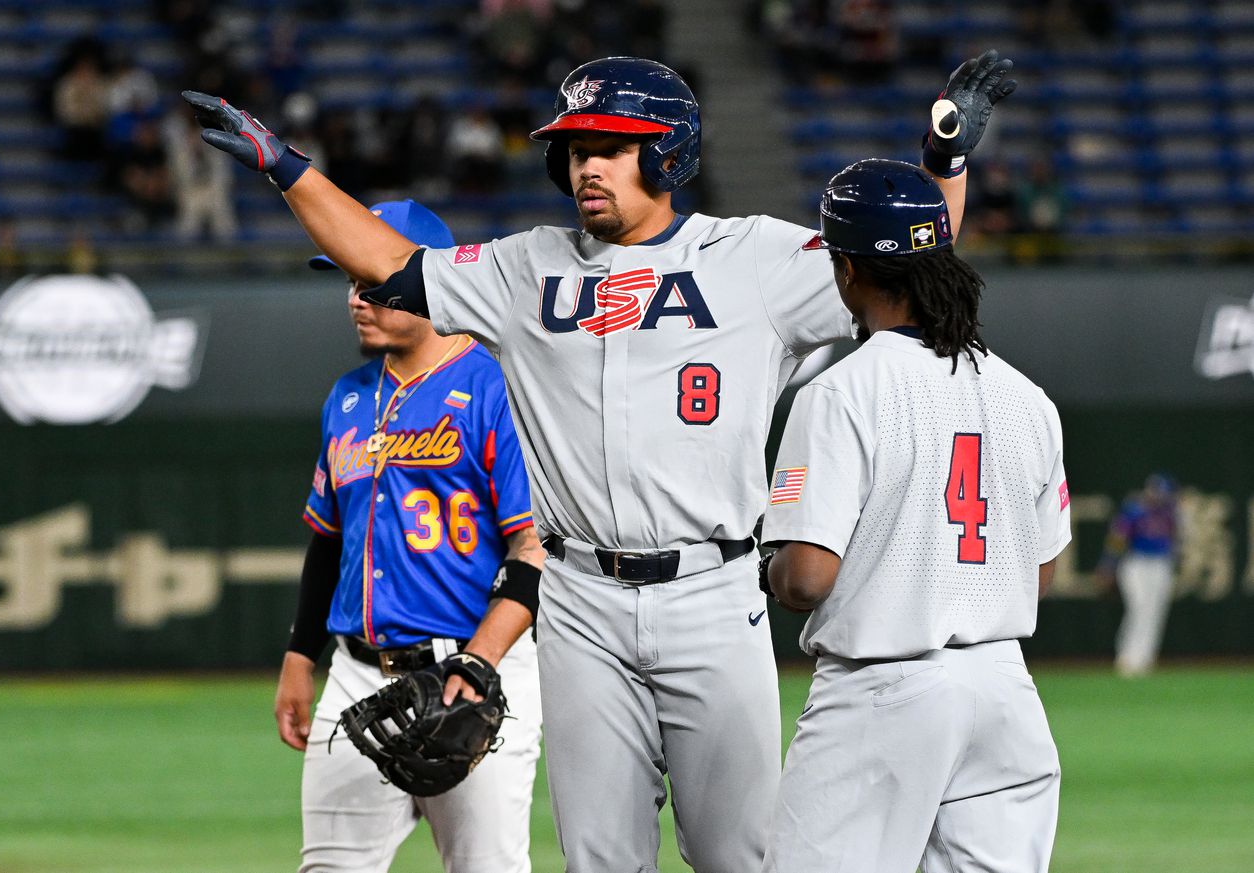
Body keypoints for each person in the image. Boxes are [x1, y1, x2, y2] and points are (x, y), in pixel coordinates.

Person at [186, 50, 1014, 872]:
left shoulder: (754, 257)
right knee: (600, 859)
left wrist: (942, 160)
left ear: (668, 154)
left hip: (714, 591)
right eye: (577, 149)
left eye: (613, 146)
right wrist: (285, 168)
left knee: (744, 853)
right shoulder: (524, 267)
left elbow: (903, 248)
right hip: (579, 600)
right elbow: (385, 262)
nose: (589, 164)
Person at [760, 159, 1069, 873]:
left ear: (847, 272)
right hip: (1004, 694)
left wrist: (764, 564)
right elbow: (1041, 572)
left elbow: (806, 577)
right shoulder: (1029, 396)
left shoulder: (841, 392)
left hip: (883, 689)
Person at [272, 199, 545, 873]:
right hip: (357, 676)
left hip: (475, 676)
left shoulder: (497, 385)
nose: (356, 299)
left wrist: (479, 664)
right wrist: (300, 654)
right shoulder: (347, 396)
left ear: (428, 282)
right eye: (348, 283)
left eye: (372, 282)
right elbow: (329, 540)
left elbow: (532, 548)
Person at [1097, 473, 1178, 677]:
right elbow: (1117, 539)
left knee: (1155, 612)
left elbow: (1175, 540)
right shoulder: (1134, 511)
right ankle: (1127, 657)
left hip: (1161, 564)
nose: (1157, 496)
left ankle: (1146, 658)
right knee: (1139, 608)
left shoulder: (1170, 513)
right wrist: (1108, 565)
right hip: (1136, 563)